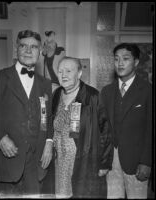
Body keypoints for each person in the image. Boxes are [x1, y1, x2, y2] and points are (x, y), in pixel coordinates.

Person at [0, 30, 53, 195]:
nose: (29, 51)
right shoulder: (1, 77)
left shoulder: (45, 83)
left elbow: (47, 117)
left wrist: (49, 142)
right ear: (17, 49)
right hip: (7, 161)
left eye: (34, 47)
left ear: (40, 51)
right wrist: (0, 137)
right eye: (24, 46)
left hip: (35, 164)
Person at [51, 56, 113, 198]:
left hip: (83, 162)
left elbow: (106, 132)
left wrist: (104, 163)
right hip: (59, 162)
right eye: (60, 71)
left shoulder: (92, 96)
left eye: (68, 71)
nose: (63, 75)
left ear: (79, 73)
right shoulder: (56, 95)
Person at [100, 43, 152, 199]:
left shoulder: (148, 90)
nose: (120, 63)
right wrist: (103, 159)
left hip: (136, 161)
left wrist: (146, 162)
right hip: (111, 161)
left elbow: (150, 129)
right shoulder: (107, 91)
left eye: (125, 59)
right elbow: (103, 127)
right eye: (116, 59)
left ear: (136, 62)